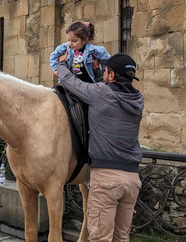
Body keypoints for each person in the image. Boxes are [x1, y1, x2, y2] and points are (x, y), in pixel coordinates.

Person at [58, 51, 144, 242]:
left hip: (107, 179)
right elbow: (110, 91)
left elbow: (71, 83)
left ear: (111, 75)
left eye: (106, 72)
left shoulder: (101, 93)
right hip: (132, 180)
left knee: (100, 238)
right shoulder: (138, 99)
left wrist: (62, 64)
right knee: (121, 237)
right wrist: (99, 71)